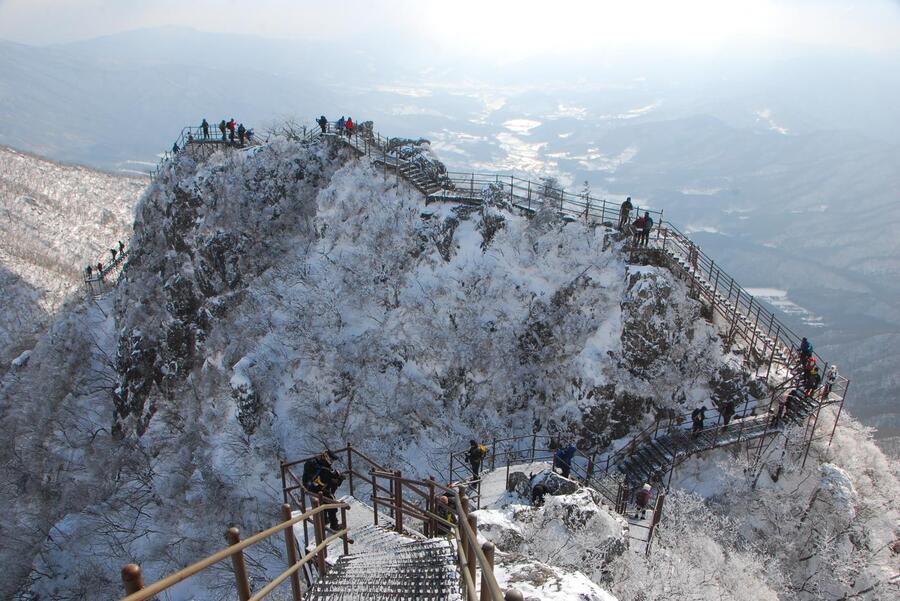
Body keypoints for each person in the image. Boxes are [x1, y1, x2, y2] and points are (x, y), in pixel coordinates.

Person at [302, 450, 343, 530]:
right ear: (326, 457)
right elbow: (330, 478)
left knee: (324, 500)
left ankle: (324, 520)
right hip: (316, 489)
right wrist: (338, 478)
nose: (331, 462)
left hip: (311, 487)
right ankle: (334, 525)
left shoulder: (314, 462)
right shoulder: (321, 467)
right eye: (330, 460)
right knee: (331, 502)